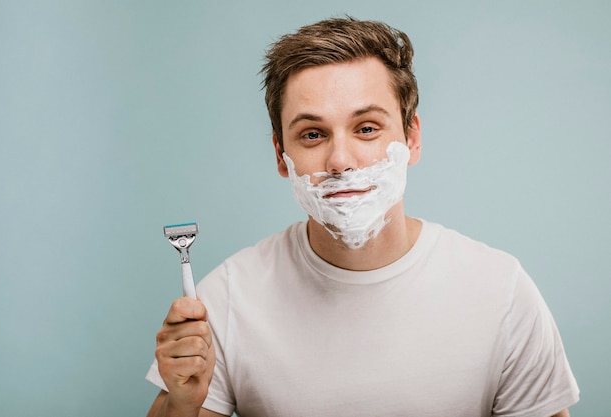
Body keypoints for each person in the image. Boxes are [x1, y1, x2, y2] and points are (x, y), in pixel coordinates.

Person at [145, 17, 579, 417]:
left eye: (367, 128)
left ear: (411, 138)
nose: (340, 160)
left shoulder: (501, 292)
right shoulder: (225, 299)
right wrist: (182, 403)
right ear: (282, 156)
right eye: (312, 134)